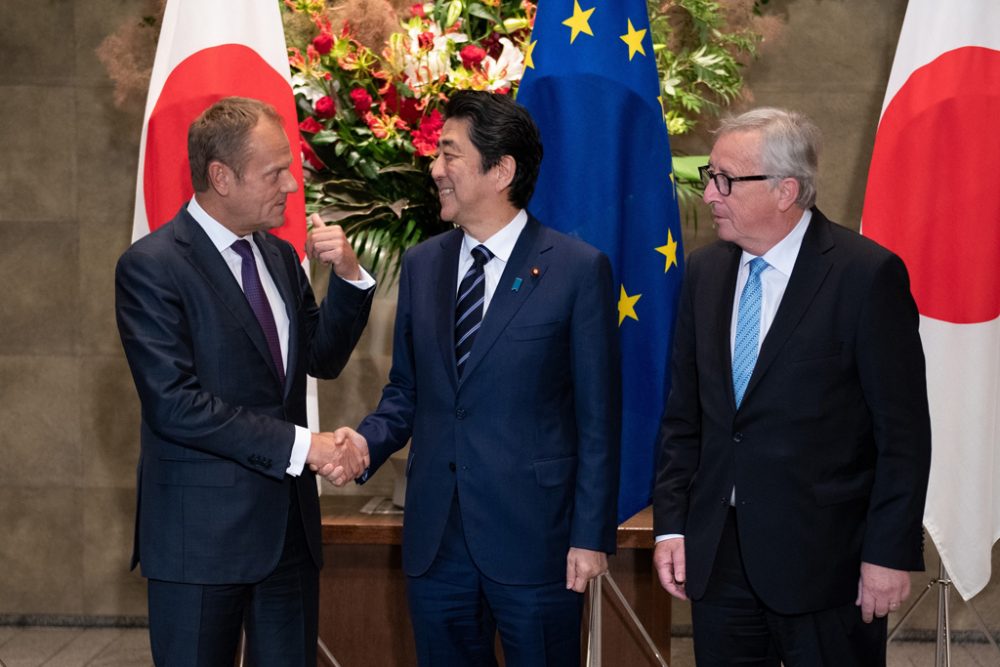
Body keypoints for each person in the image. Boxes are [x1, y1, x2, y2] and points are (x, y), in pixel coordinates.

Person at [324, 90, 621, 666]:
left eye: (449, 154)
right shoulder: (423, 264)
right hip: (437, 542)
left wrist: (590, 536)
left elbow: (598, 418)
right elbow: (408, 390)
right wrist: (364, 444)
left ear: (502, 169)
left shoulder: (577, 269)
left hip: (538, 542)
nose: (435, 169)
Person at [652, 107, 931, 666]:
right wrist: (671, 529)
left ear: (785, 190)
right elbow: (685, 418)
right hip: (718, 558)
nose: (709, 195)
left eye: (724, 179)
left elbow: (902, 434)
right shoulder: (705, 273)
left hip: (828, 565)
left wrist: (887, 552)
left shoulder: (865, 275)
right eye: (710, 176)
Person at [115, 96, 375, 666]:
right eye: (275, 171)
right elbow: (176, 405)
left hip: (287, 538)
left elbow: (321, 358)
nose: (290, 184)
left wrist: (351, 280)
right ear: (220, 177)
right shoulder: (152, 267)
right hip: (199, 542)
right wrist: (307, 447)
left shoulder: (280, 257)